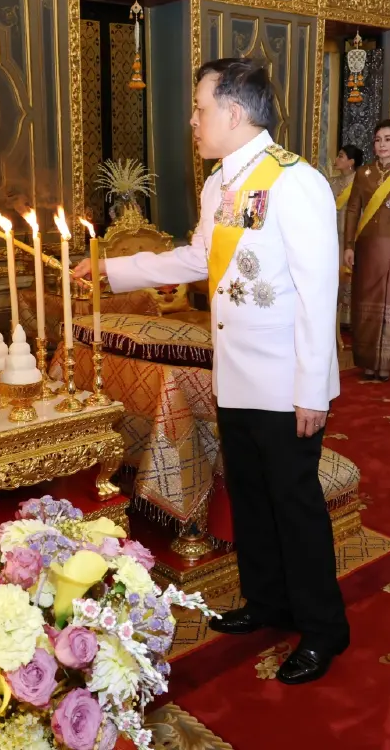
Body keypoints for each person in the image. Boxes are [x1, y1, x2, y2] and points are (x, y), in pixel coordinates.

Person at [74, 57, 348, 684]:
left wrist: (313, 390)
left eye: (199, 109)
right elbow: (198, 258)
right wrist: (113, 271)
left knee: (294, 504)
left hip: (285, 382)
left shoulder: (295, 181)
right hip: (237, 374)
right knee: (249, 497)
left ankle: (324, 627)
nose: (191, 121)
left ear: (233, 111)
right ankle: (268, 601)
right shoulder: (220, 184)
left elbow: (317, 292)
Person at [342, 119, 390, 382]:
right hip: (365, 249)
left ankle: (385, 361)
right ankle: (366, 360)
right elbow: (353, 210)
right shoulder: (364, 173)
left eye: (388, 139)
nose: (382, 144)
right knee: (364, 303)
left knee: (389, 302)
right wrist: (349, 245)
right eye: (378, 139)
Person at [330, 144, 363, 331]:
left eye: (341, 156)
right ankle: (334, 317)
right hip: (333, 237)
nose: (337, 159)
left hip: (352, 238)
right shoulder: (331, 182)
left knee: (350, 276)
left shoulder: (360, 182)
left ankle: (350, 319)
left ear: (351, 162)